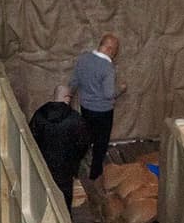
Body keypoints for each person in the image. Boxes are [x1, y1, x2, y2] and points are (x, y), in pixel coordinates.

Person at [71, 33, 121, 182]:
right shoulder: (107, 68)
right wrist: (121, 89)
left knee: (85, 137)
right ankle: (95, 173)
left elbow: (74, 81)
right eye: (116, 50)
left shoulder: (83, 59)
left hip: (85, 107)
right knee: (101, 142)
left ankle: (74, 168)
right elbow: (108, 94)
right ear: (111, 49)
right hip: (103, 111)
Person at [29, 84, 86, 210]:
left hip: (43, 164)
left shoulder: (39, 114)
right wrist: (75, 160)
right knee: (64, 198)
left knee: (43, 195)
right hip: (65, 167)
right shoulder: (75, 118)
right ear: (67, 98)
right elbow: (83, 143)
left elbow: (31, 138)